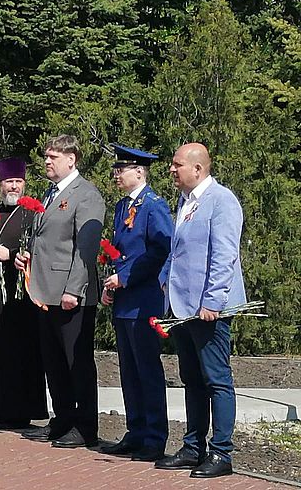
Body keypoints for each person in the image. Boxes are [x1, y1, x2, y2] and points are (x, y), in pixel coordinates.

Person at [154, 143, 246, 479]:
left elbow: (224, 256)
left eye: (177, 165)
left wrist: (213, 301)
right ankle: (193, 447)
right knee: (191, 380)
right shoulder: (185, 201)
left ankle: (222, 453)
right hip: (182, 307)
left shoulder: (221, 201)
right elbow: (178, 251)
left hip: (209, 309)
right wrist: (165, 279)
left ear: (198, 169)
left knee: (217, 380)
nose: (171, 170)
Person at [15, 135, 105, 448]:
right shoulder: (50, 193)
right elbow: (45, 238)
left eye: (54, 156)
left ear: (72, 159)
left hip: (70, 295)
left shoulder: (86, 195)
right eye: (46, 156)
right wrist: (25, 256)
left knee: (76, 362)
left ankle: (85, 425)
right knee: (53, 362)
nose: (47, 161)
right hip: (44, 292)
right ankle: (62, 419)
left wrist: (74, 290)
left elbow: (86, 247)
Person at [100, 145, 172, 461]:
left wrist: (126, 278)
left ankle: (154, 437)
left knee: (147, 370)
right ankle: (136, 430)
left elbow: (160, 251)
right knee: (129, 370)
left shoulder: (154, 206)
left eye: (122, 169)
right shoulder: (122, 206)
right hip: (125, 300)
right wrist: (111, 283)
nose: (116, 175)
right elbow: (119, 250)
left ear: (139, 172)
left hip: (144, 300)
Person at [0, 157, 48, 429]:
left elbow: (39, 251)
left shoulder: (33, 213)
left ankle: (20, 410)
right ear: (1, 185)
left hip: (21, 298)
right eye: (9, 182)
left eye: (18, 182)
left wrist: (12, 255)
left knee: (20, 352)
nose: (13, 187)